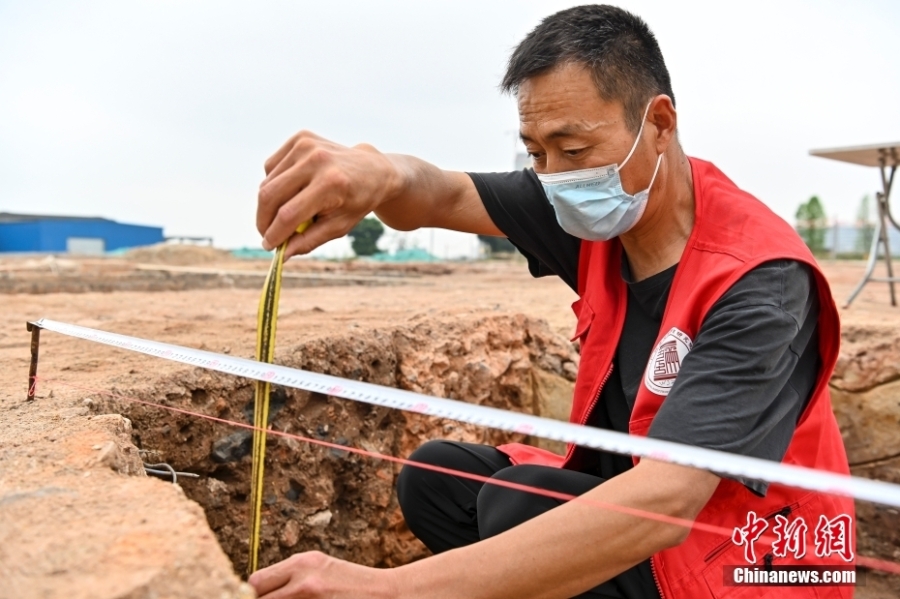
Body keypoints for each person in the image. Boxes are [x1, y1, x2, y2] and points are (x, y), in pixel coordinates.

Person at [250, 5, 854, 599]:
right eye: (536, 152)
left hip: (760, 558)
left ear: (660, 123)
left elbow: (668, 497)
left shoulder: (761, 284)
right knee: (439, 478)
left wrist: (393, 590)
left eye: (572, 149)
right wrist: (380, 171)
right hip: (640, 496)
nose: (555, 175)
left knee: (518, 509)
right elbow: (440, 193)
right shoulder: (596, 214)